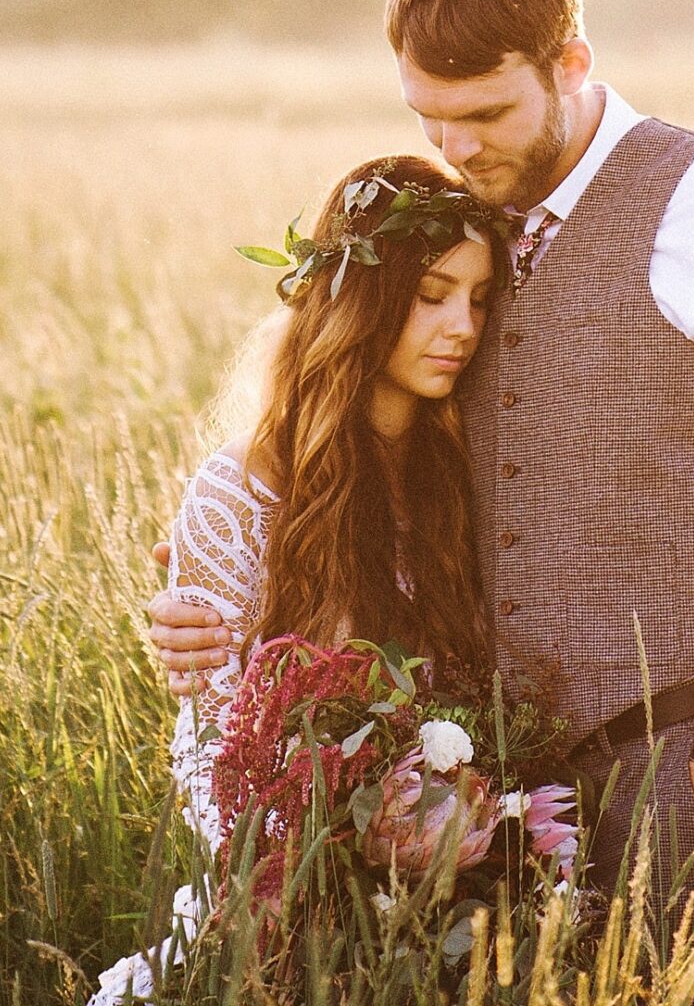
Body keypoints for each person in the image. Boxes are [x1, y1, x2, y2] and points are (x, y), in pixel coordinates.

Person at [149, 0, 694, 893]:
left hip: (685, 775)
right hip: (479, 816)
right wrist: (216, 581)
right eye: (429, 115)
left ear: (571, 64)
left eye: (487, 113)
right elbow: (349, 449)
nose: (455, 147)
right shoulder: (457, 223)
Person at [92, 151, 509, 1002]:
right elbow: (209, 746)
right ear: (362, 301)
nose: (462, 326)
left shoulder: (469, 470)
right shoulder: (241, 490)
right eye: (432, 295)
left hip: (463, 895)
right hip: (287, 896)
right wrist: (312, 872)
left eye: (478, 298)